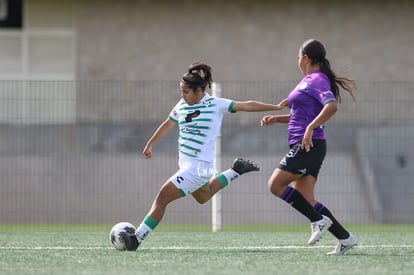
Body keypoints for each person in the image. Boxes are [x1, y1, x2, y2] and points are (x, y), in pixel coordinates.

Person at [120, 60, 288, 250]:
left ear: (199, 92)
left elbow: (246, 105)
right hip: (192, 167)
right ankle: (236, 170)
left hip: (196, 168)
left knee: (163, 196)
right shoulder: (182, 104)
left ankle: (137, 238)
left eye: (185, 92)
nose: (182, 96)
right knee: (203, 196)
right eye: (181, 91)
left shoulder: (215, 104)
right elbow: (168, 123)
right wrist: (150, 143)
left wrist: (275, 108)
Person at [260, 39, 357, 255]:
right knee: (306, 199)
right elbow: (300, 116)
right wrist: (277, 119)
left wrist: (312, 127)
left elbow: (331, 107)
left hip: (309, 145)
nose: (297, 61)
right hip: (308, 144)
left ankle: (318, 220)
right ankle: (345, 237)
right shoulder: (308, 81)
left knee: (275, 185)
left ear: (305, 58)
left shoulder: (317, 80)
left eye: (298, 57)